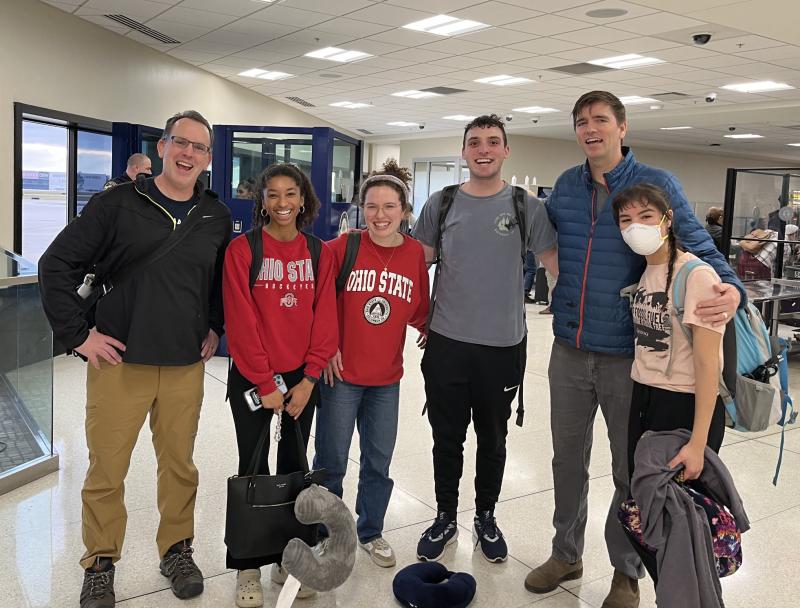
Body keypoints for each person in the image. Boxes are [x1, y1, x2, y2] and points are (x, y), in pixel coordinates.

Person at [524, 91, 744, 608]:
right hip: (570, 349)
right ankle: (566, 552)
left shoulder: (655, 185)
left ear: (623, 127)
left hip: (631, 357)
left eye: (601, 119)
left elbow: (697, 242)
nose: (590, 129)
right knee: (565, 461)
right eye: (581, 122)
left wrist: (731, 286)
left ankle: (627, 570)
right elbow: (542, 243)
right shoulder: (566, 190)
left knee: (630, 470)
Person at [38, 110, 230, 608]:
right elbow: (55, 263)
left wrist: (215, 325)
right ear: (163, 147)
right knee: (107, 469)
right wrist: (79, 335)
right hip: (118, 363)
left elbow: (218, 283)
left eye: (199, 147)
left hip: (184, 364)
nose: (188, 154)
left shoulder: (215, 215)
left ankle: (176, 549)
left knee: (180, 465)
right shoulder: (119, 204)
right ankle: (100, 563)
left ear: (208, 158)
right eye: (180, 143)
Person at [412, 114, 558, 564]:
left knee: (493, 440)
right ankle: (444, 516)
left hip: (502, 347)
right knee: (447, 437)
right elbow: (417, 267)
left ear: (506, 151)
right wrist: (419, 321)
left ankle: (487, 517)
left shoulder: (524, 206)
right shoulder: (443, 202)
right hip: (448, 343)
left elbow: (556, 269)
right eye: (475, 142)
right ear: (464, 151)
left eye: (493, 142)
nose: (484, 149)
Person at [222, 163, 337, 607]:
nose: (283, 203)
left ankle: (290, 556)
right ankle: (248, 561)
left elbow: (325, 319)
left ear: (303, 199)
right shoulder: (243, 249)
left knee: (293, 467)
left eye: (291, 194)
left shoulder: (319, 252)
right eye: (273, 195)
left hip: (301, 378)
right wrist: (265, 381)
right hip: (254, 377)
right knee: (252, 465)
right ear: (262, 201)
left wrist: (309, 379)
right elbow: (242, 320)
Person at [613, 183, 727, 603]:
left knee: (681, 524)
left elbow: (706, 368)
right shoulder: (648, 270)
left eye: (645, 217)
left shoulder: (696, 275)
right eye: (626, 220)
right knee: (648, 514)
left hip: (682, 406)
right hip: (644, 398)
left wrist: (698, 444)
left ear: (667, 220)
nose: (635, 227)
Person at [313, 159, 430, 568]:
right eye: (373, 206)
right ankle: (329, 535)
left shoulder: (415, 253)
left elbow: (420, 309)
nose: (381, 215)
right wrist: (325, 346)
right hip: (341, 376)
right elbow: (315, 296)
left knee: (378, 463)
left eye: (390, 207)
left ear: (404, 210)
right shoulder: (342, 247)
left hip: (387, 379)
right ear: (361, 208)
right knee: (331, 463)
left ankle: (370, 531)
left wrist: (437, 328)